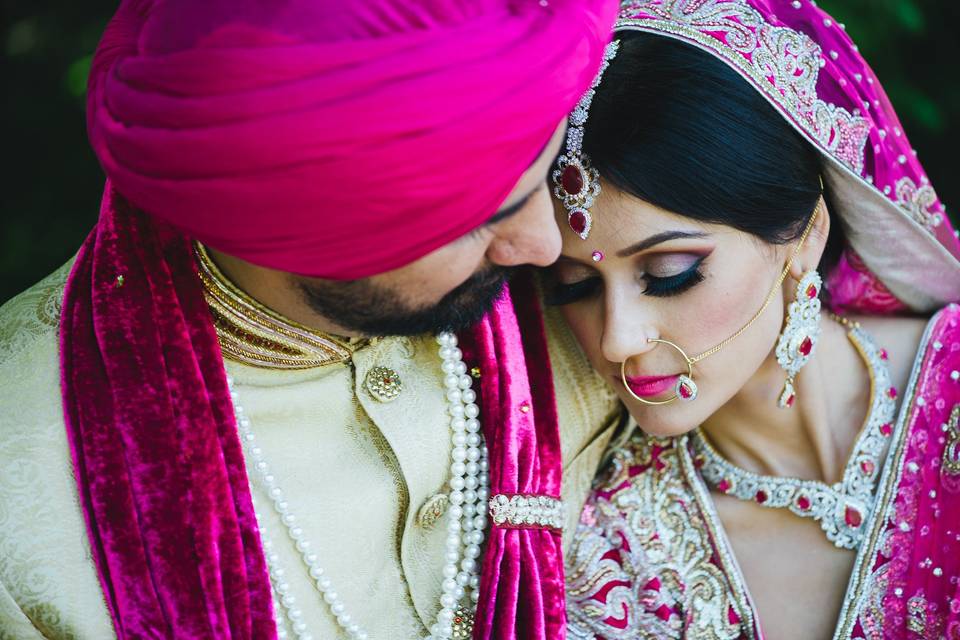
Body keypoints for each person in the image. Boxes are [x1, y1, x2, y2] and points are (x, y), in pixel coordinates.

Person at [0, 2, 623, 639]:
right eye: (481, 218)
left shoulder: (596, 303)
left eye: (543, 170)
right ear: (303, 233)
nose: (547, 245)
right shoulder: (20, 511)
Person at [546, 1, 960, 638]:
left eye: (670, 273)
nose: (618, 338)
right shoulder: (612, 555)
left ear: (806, 237)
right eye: (576, 287)